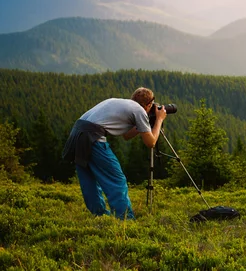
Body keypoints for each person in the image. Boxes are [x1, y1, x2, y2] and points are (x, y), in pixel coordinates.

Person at [62, 87, 167, 219]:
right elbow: (151, 143)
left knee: (89, 179)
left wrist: (143, 125)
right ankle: (125, 220)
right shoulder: (139, 110)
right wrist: (159, 120)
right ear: (149, 104)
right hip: (93, 137)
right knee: (116, 179)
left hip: (76, 135)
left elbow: (126, 136)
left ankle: (99, 216)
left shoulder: (119, 102)